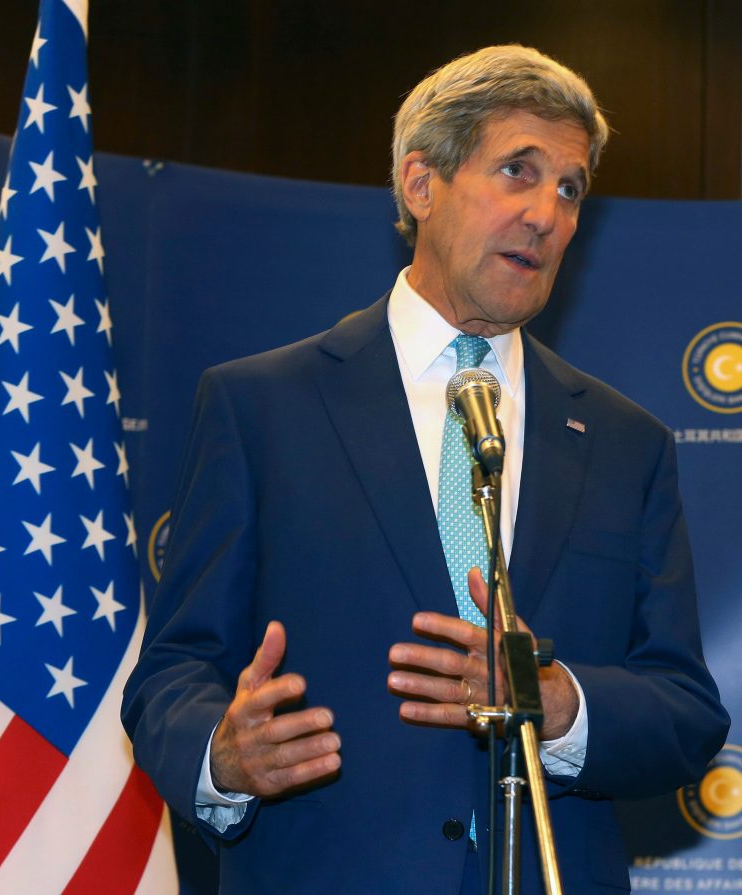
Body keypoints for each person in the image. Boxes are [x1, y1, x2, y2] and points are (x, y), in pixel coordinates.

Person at [122, 45, 729, 894]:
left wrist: (559, 702)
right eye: (517, 170)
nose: (547, 214)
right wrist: (221, 755)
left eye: (570, 188)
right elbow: (175, 671)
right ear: (420, 184)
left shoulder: (626, 441)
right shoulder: (262, 407)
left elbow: (686, 707)